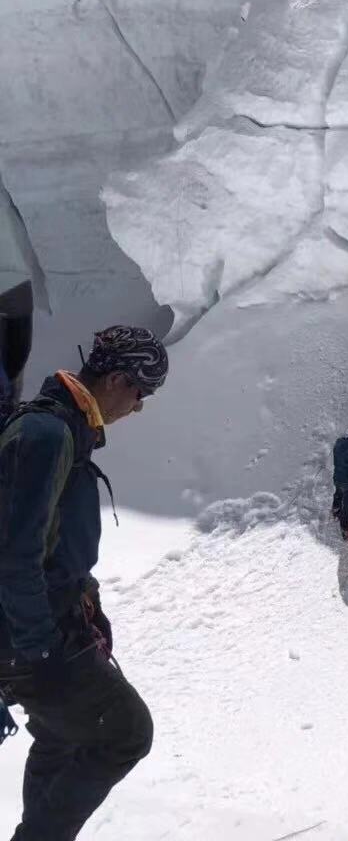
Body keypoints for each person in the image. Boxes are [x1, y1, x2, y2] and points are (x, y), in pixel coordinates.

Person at [0, 325, 168, 840]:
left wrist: (87, 601)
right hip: (32, 636)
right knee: (127, 733)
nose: (139, 407)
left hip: (52, 622)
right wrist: (40, 651)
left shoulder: (66, 429)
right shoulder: (48, 434)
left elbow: (54, 545)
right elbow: (15, 554)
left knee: (62, 736)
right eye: (141, 392)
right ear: (118, 378)